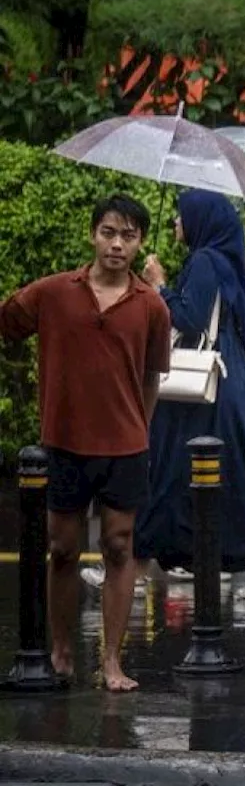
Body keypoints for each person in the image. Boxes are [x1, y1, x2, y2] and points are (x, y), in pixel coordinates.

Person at [0, 194, 171, 691]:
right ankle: (62, 650)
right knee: (63, 548)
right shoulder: (54, 292)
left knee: (120, 546)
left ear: (139, 243)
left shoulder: (151, 306)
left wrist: (139, 426)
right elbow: (8, 321)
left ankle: (112, 661)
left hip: (124, 445)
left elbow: (152, 376)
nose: (117, 244)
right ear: (93, 235)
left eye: (129, 236)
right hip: (65, 441)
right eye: (109, 233)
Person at [134, 190, 245, 598]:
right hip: (229, 380)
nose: (176, 223)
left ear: (201, 221)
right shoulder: (225, 260)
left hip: (208, 390)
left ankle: (133, 567)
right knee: (234, 474)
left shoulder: (206, 261)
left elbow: (190, 319)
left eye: (181, 216)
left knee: (172, 469)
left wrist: (159, 287)